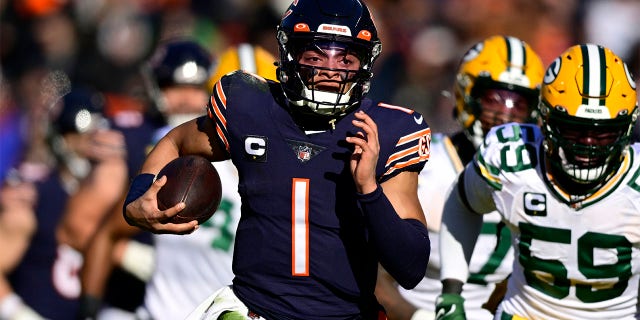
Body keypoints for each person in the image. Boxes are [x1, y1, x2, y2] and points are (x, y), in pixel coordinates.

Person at [123, 0, 432, 319]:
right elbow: (176, 140)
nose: (330, 70)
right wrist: (138, 198)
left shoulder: (387, 132)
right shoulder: (251, 107)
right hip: (255, 310)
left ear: (365, 64)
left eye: (346, 58)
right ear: (290, 54)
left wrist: (369, 189)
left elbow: (411, 268)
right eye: (315, 56)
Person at [436, 43, 640, 320]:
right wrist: (451, 291)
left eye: (603, 134)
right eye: (573, 129)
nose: (588, 144)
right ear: (544, 120)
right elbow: (462, 202)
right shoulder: (510, 155)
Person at [79, 38, 278, 320]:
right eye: (240, 107)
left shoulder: (290, 175)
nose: (249, 120)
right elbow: (105, 230)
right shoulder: (185, 162)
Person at [375, 35, 545, 320]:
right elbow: (368, 272)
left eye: (519, 105)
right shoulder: (425, 164)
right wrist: (418, 317)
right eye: (494, 100)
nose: (505, 116)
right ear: (468, 95)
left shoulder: (536, 178)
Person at [0, 87, 129, 319]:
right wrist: (18, 313)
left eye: (95, 137)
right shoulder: (33, 195)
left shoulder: (121, 191)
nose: (88, 147)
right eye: (79, 138)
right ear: (60, 140)